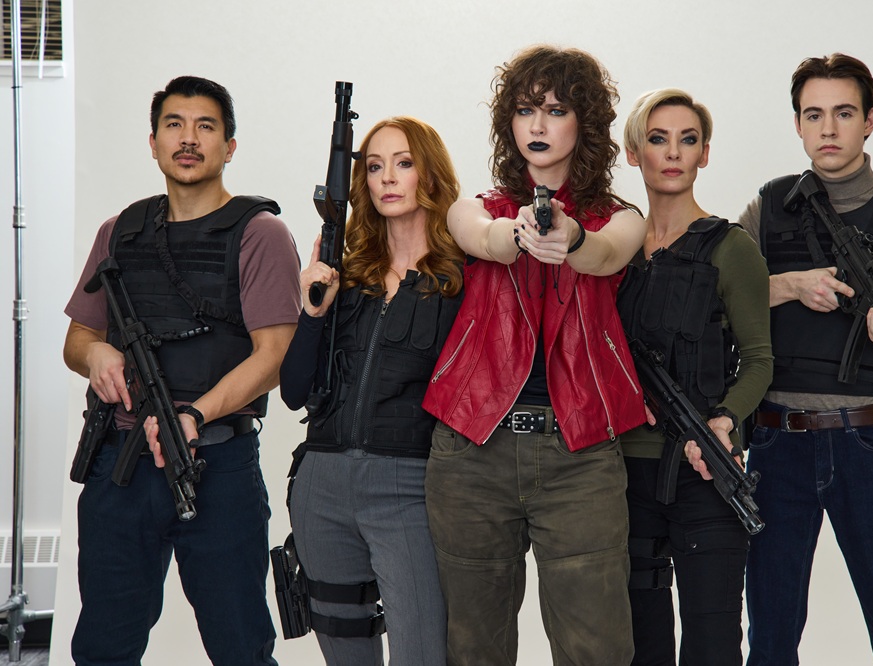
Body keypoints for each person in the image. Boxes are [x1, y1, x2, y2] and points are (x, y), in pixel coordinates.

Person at [421, 45, 648, 665]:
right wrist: (514, 234)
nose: (539, 125)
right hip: (473, 450)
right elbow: (481, 238)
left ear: (586, 123)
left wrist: (570, 237)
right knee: (474, 648)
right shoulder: (477, 207)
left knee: (597, 649)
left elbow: (603, 254)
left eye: (556, 109)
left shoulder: (620, 218)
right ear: (509, 124)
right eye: (526, 110)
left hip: (581, 456)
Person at [62, 76, 300, 665]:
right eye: (174, 124)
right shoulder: (119, 231)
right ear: (152, 141)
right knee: (102, 647)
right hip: (118, 468)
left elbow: (274, 356)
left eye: (205, 126)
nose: (188, 139)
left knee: (240, 645)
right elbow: (78, 338)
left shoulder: (260, 233)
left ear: (230, 146)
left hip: (216, 465)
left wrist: (195, 413)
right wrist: (97, 354)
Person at [734, 54, 873, 665]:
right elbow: (715, 306)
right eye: (814, 114)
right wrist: (788, 285)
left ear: (870, 120)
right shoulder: (768, 206)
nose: (828, 128)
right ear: (798, 126)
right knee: (771, 639)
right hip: (777, 445)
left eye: (843, 113)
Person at [278, 116, 463, 665]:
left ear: (430, 174)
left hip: (408, 485)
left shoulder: (461, 278)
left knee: (422, 652)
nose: (387, 178)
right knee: (346, 653)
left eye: (403, 163)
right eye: (375, 166)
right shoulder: (345, 274)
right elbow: (293, 391)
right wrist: (313, 312)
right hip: (321, 484)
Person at [616, 88, 772, 666]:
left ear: (705, 153)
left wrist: (725, 420)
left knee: (711, 645)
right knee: (640, 646)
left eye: (688, 140)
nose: (673, 153)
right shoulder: (616, 248)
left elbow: (759, 360)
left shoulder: (731, 248)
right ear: (634, 152)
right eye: (657, 139)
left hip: (706, 471)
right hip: (623, 476)